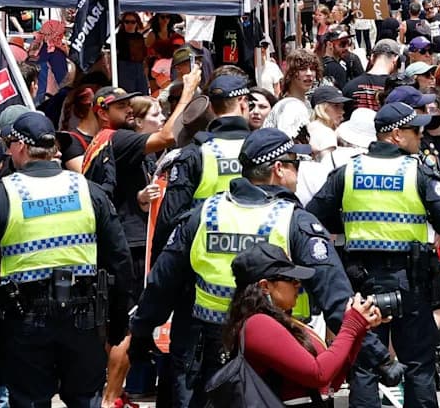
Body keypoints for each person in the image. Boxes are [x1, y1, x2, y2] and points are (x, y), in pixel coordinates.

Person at [128, 128, 353, 408]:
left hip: (210, 347)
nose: (299, 170)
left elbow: (163, 282)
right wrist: (376, 358)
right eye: (296, 162)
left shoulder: (204, 215)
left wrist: (141, 331)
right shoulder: (294, 221)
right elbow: (334, 294)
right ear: (278, 169)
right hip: (275, 351)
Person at [0, 111, 133, 408]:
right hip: (84, 319)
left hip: (25, 322)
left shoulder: (0, 196)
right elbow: (120, 260)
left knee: (30, 401)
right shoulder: (88, 192)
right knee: (86, 399)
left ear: (19, 146)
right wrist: (117, 322)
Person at [306, 102, 440, 408]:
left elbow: (313, 215)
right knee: (418, 362)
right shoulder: (416, 170)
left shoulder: (348, 171)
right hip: (410, 281)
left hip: (362, 282)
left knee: (365, 364)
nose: (420, 135)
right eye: (414, 130)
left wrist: (349, 222)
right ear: (395, 135)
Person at [222, 243, 387, 402]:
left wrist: (359, 329)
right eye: (290, 279)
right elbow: (318, 374)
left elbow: (330, 381)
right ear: (265, 286)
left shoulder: (284, 321)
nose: (298, 284)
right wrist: (351, 326)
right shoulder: (258, 324)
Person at [153, 74, 253, 254]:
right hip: (257, 254)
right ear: (243, 102)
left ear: (212, 109)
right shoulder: (262, 148)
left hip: (205, 255)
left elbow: (169, 219)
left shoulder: (194, 153)